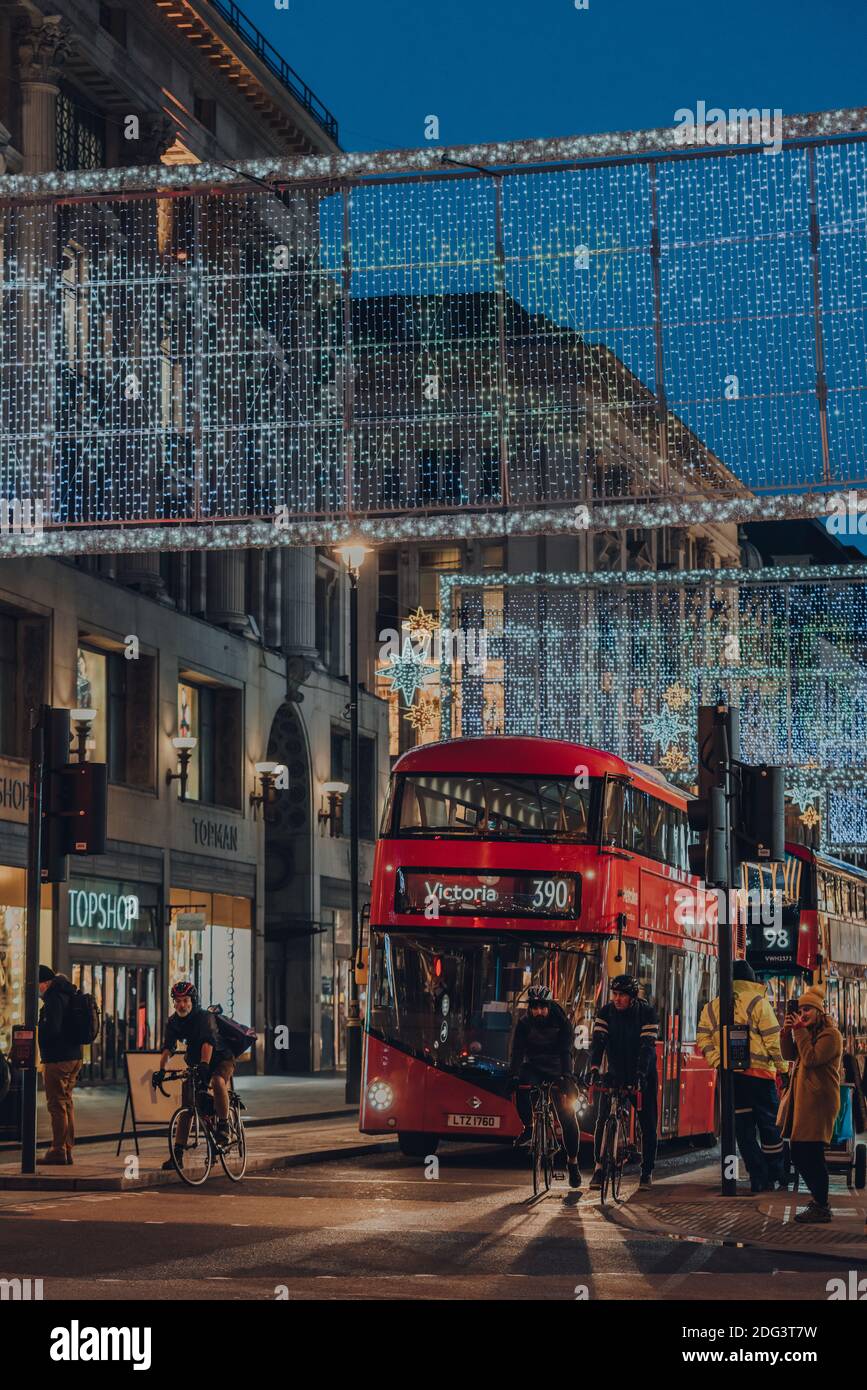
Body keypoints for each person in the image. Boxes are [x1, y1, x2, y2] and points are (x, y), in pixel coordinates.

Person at [696, 960, 788, 1194]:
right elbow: (773, 1041)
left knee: (743, 1131)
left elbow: (703, 1039)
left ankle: (757, 1177)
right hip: (760, 1077)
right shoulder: (759, 1003)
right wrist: (783, 1069)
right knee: (770, 1127)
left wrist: (718, 1062)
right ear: (751, 980)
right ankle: (775, 1174)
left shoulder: (711, 1007)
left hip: (731, 1080)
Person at [152, 982, 235, 1171]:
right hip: (198, 1062)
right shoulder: (174, 1022)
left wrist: (205, 1065)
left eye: (185, 1000)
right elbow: (168, 1047)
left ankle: (224, 1126)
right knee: (188, 1107)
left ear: (192, 1001)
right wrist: (161, 1070)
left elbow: (208, 1042)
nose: (182, 1005)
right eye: (178, 1001)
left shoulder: (204, 1017)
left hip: (221, 1057)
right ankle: (177, 1155)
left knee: (217, 1081)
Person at [777, 987, 843, 1224]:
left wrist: (799, 1031)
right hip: (804, 1100)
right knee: (800, 1151)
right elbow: (789, 1056)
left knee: (810, 1153)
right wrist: (786, 1033)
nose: (802, 1013)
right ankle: (819, 1201)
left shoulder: (831, 1035)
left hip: (820, 1101)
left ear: (818, 1012)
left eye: (807, 1010)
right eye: (800, 1009)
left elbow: (812, 1058)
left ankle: (822, 1205)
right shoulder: (805, 1032)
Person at [587, 973, 658, 1189]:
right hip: (616, 1071)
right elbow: (598, 1043)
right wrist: (593, 1068)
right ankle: (599, 1168)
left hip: (642, 1072)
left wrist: (640, 1075)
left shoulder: (647, 1013)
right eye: (614, 994)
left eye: (622, 995)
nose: (617, 999)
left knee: (648, 1123)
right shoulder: (606, 1012)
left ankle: (646, 1172)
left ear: (633, 997)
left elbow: (647, 1047)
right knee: (602, 1118)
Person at [509, 985, 582, 1189]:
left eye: (543, 1007)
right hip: (533, 1066)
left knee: (567, 1116)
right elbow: (517, 1052)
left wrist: (567, 1076)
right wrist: (513, 1075)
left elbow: (566, 1051)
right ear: (530, 1008)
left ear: (549, 1006)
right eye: (535, 1007)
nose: (539, 1011)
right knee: (520, 1087)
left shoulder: (562, 1023)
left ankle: (573, 1163)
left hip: (557, 1066)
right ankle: (529, 1127)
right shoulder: (524, 1023)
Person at [37, 965, 82, 1166]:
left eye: (37, 986)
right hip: (73, 1056)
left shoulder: (54, 998)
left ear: (44, 983)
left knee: (56, 1105)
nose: (37, 991)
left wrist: (40, 1031)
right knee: (66, 1103)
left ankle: (58, 1149)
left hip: (58, 1058)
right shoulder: (67, 993)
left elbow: (52, 1029)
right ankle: (67, 1149)